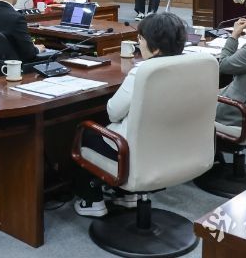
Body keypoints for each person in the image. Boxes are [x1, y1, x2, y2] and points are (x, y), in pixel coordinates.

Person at [73, 12, 187, 217]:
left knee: (86, 132)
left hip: (135, 152)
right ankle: (128, 196)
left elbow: (113, 112)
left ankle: (92, 201)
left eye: (140, 39)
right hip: (173, 146)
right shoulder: (190, 65)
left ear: (156, 47)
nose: (138, 44)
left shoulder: (143, 72)